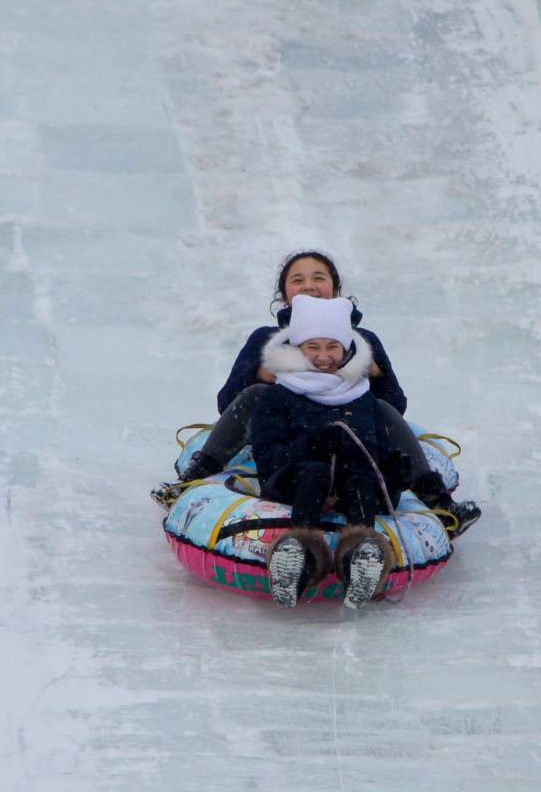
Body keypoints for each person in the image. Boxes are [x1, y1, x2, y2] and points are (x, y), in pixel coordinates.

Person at [152, 251, 481, 537]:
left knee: (379, 408)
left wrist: (375, 376)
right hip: (285, 441)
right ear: (283, 296)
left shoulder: (361, 341)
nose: (308, 284)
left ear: (336, 290)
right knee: (254, 394)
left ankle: (440, 505)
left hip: (348, 440)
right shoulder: (268, 339)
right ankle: (190, 481)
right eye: (297, 279)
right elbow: (229, 404)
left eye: (318, 277)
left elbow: (395, 405)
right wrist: (258, 375)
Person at [249, 295, 408, 609]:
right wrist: (311, 445)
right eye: (313, 347)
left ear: (346, 348)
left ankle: (360, 559)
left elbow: (376, 452)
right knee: (316, 471)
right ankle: (300, 558)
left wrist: (393, 477)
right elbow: (268, 460)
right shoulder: (279, 396)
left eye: (332, 347)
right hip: (293, 482)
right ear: (297, 349)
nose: (324, 357)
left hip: (352, 484)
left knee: (360, 481)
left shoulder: (362, 397)